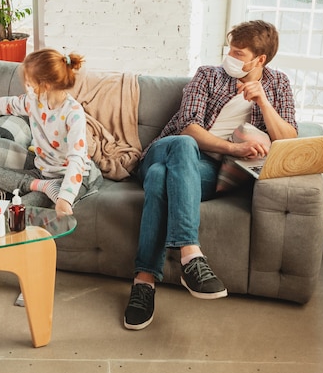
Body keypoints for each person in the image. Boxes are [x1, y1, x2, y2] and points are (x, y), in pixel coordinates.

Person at [123, 20, 298, 330]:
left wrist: (263, 103)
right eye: (229, 49)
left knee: (160, 180)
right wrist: (233, 149)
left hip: (206, 172)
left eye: (238, 53)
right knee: (182, 146)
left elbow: (289, 141)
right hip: (167, 149)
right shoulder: (208, 75)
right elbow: (189, 127)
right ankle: (191, 254)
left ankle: (143, 283)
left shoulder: (278, 84)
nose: (229, 56)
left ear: (260, 59)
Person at [0, 48, 102, 215]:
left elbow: (76, 160)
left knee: (16, 211)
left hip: (72, 178)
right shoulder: (33, 101)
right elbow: (8, 104)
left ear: (46, 85)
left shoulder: (73, 113)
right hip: (42, 173)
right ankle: (43, 187)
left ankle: (39, 190)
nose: (27, 86)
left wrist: (65, 198)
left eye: (30, 83)